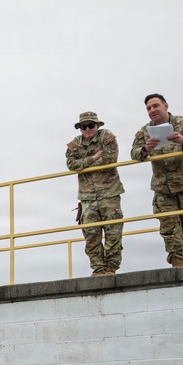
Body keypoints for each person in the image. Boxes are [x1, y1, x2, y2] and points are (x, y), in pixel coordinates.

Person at [130, 93, 183, 267]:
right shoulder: (144, 131)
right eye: (149, 108)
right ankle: (178, 269)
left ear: (166, 106)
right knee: (170, 233)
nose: (152, 110)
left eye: (155, 106)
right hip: (163, 190)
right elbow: (133, 153)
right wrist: (144, 149)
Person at [66, 111, 125, 276]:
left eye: (91, 125)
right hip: (87, 197)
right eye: (83, 127)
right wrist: (92, 159)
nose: (87, 129)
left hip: (109, 193)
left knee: (113, 233)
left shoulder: (107, 137)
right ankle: (98, 270)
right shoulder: (75, 144)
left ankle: (111, 269)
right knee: (91, 236)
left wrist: (83, 163)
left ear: (97, 125)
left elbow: (109, 159)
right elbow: (71, 164)